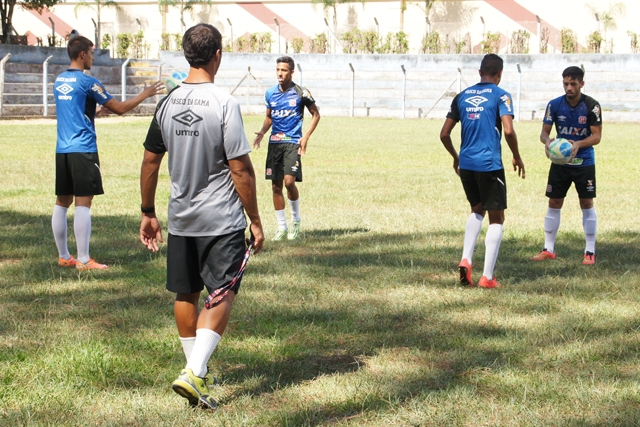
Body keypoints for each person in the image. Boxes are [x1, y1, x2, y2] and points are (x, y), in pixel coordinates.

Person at [139, 24, 264, 410]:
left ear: (186, 54)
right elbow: (240, 169)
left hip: (181, 218)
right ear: (218, 55)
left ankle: (195, 371)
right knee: (223, 291)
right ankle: (194, 372)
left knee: (186, 292)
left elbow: (150, 161)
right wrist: (255, 219)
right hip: (221, 219)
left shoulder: (167, 103)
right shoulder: (224, 103)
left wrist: (148, 212)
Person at [53, 35, 163, 270]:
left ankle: (64, 256)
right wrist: (145, 94)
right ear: (82, 54)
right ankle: (84, 260)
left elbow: (72, 110)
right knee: (83, 203)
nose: (93, 58)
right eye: (92, 53)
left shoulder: (59, 80)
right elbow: (120, 108)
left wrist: (92, 113)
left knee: (62, 202)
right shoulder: (88, 82)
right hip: (83, 149)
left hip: (62, 149)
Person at [439, 54, 525, 289]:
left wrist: (456, 157)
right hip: (489, 165)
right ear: (500, 74)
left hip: (466, 164)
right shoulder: (501, 95)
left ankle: (466, 259)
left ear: (479, 73)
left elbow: (444, 134)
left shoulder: (461, 96)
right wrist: (516, 156)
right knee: (496, 218)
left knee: (477, 210)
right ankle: (487, 277)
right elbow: (508, 131)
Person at [531, 66, 602, 265]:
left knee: (586, 203)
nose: (569, 88)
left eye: (573, 84)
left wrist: (578, 144)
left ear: (581, 84)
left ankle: (589, 251)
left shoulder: (591, 106)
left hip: (584, 162)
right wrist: (547, 142)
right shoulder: (554, 105)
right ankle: (548, 249)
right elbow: (544, 133)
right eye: (566, 84)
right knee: (554, 202)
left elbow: (597, 136)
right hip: (560, 163)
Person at [253, 56, 320, 241]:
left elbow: (316, 115)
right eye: (277, 70)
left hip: (292, 143)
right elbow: (269, 117)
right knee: (276, 187)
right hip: (275, 144)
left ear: (291, 72)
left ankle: (295, 221)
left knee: (289, 182)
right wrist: (262, 132)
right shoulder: (270, 93)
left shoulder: (301, 92)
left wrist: (305, 137)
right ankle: (281, 227)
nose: (280, 73)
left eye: (283, 70)